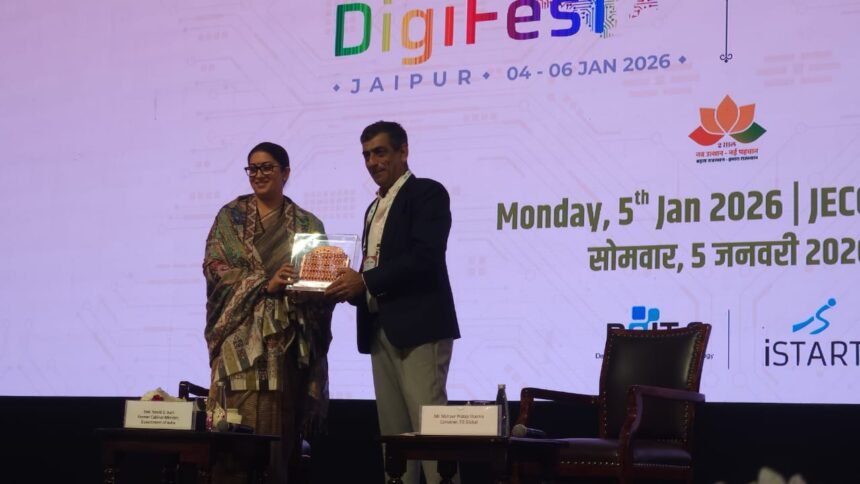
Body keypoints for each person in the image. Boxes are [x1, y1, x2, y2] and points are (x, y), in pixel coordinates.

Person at [326, 121, 460, 484]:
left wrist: (365, 281)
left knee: (431, 432)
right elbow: (376, 266)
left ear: (403, 151)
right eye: (366, 155)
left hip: (419, 327)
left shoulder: (427, 193)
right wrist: (349, 286)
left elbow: (425, 256)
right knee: (395, 439)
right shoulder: (374, 207)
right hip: (379, 327)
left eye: (380, 152)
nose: (372, 162)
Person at [203, 141, 333, 483]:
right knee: (233, 433)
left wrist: (310, 287)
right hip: (237, 346)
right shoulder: (230, 217)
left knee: (279, 432)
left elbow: (321, 286)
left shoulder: (307, 224)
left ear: (285, 172)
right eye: (253, 168)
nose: (258, 175)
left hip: (284, 345)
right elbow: (214, 268)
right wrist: (264, 283)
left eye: (267, 167)